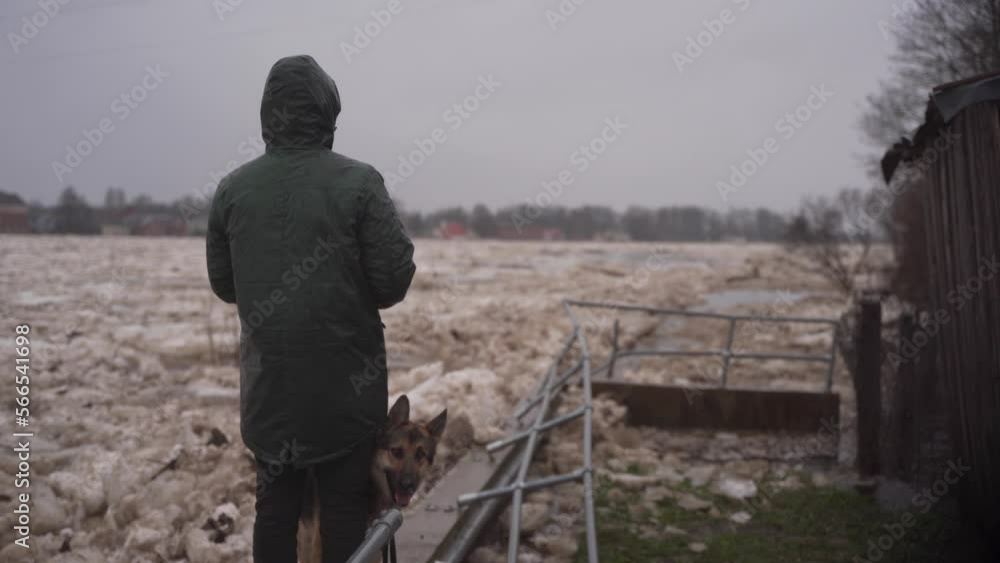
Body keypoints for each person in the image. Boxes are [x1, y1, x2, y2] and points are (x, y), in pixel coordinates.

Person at [206, 54, 416, 563]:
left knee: (274, 511)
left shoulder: (233, 189)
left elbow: (226, 285)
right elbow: (393, 280)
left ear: (268, 113)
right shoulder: (359, 183)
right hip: (346, 395)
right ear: (327, 113)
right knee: (344, 510)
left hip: (269, 395)